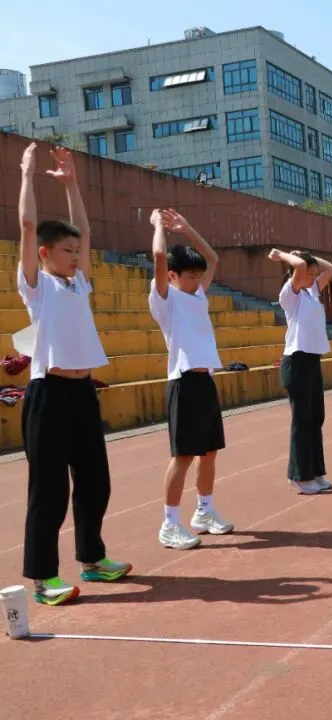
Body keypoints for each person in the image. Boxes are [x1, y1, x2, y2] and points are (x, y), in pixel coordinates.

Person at [17, 143, 131, 605]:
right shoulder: (37, 285)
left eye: (78, 252)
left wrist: (72, 186)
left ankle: (93, 559)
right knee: (49, 490)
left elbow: (83, 229)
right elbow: (26, 225)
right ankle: (44, 579)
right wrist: (26, 176)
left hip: (83, 392)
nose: (77, 256)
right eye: (67, 252)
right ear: (44, 254)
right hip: (49, 395)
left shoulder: (77, 281)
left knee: (95, 481)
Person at [149, 208, 232, 550]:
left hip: (204, 381)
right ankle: (169, 523)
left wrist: (188, 228)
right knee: (183, 457)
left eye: (199, 276)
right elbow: (157, 255)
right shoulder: (164, 301)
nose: (198, 281)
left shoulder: (197, 296)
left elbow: (213, 258)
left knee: (209, 453)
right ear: (171, 276)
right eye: (191, 276)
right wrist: (159, 227)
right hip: (182, 383)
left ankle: (204, 512)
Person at [269, 248, 332, 494]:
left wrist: (308, 256)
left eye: (314, 273)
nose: (314, 276)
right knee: (302, 419)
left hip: (312, 360)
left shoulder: (312, 293)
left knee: (316, 417)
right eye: (310, 273)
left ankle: (315, 471)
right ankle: (299, 475)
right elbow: (297, 268)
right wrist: (287, 255)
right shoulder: (291, 293)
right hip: (296, 362)